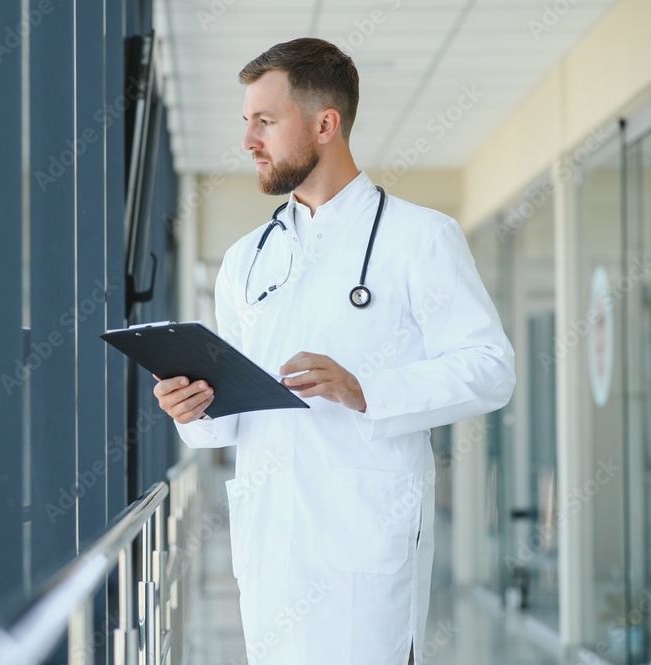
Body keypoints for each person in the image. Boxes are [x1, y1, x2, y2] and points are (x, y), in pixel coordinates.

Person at [153, 39, 515, 665]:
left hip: (365, 544)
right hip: (269, 546)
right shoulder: (244, 261)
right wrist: (195, 409)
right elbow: (229, 421)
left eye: (265, 121)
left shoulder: (419, 238)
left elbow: (491, 370)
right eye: (247, 122)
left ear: (326, 124)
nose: (249, 141)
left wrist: (366, 389)